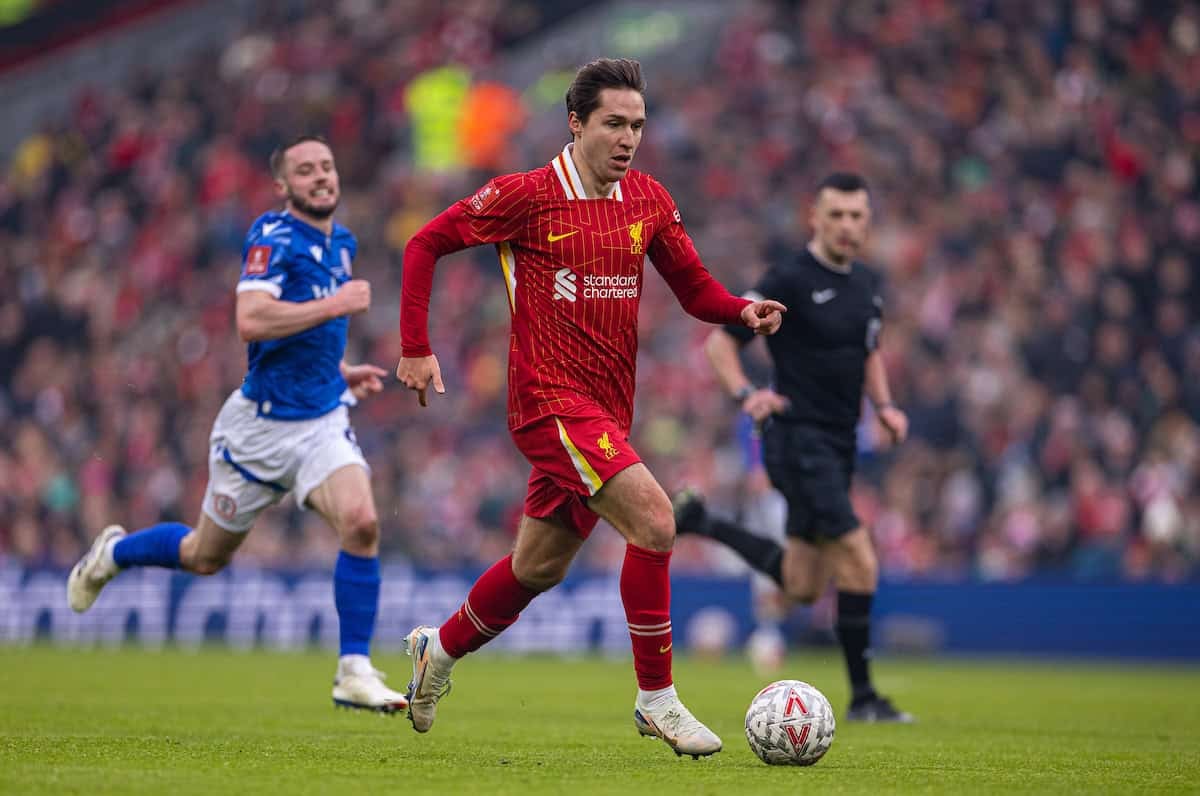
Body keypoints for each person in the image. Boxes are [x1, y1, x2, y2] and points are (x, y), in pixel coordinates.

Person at [394, 58, 786, 757]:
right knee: (657, 521)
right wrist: (417, 346)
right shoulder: (527, 195)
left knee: (537, 569)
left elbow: (695, 291)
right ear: (576, 122)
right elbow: (425, 243)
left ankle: (439, 651)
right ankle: (656, 700)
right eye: (613, 123)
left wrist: (741, 308)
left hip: (606, 411)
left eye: (637, 124)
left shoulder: (648, 201)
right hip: (547, 404)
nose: (628, 137)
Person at [66, 135, 408, 714]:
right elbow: (250, 320)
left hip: (320, 420)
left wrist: (340, 372)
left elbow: (309, 335)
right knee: (205, 556)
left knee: (361, 520)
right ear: (284, 186)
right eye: (306, 170)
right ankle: (115, 554)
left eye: (327, 166)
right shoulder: (271, 237)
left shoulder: (341, 242)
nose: (321, 176)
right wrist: (335, 306)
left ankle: (353, 669)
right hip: (258, 430)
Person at [673, 172, 915, 723]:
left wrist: (885, 407)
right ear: (815, 217)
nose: (847, 226)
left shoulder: (867, 284)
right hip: (797, 439)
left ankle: (703, 521)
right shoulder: (790, 278)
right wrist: (746, 394)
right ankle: (864, 698)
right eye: (837, 215)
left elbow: (869, 352)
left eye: (857, 216)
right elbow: (720, 342)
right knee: (858, 557)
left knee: (804, 584)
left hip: (837, 443)